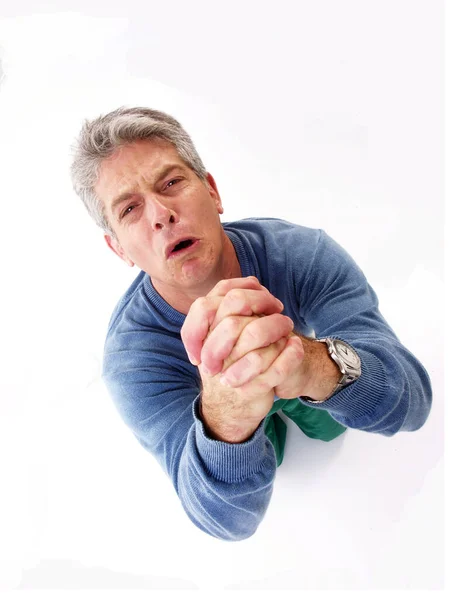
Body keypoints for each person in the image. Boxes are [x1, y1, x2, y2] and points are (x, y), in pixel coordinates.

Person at [70, 106, 432, 541]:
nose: (161, 214)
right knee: (268, 460)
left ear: (212, 192)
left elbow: (412, 402)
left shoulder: (301, 253)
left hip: (302, 373)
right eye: (130, 209)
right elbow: (226, 521)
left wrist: (307, 364)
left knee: (331, 428)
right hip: (213, 414)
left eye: (171, 183)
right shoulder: (131, 360)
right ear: (119, 250)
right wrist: (227, 418)